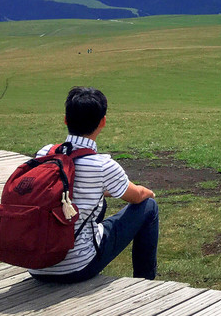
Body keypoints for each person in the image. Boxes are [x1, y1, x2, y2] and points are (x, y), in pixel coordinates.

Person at [29, 86, 159, 283]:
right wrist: (149, 193)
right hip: (78, 266)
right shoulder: (103, 165)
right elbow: (137, 196)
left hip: (37, 264)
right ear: (102, 122)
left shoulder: (45, 154)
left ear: (65, 119)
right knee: (149, 207)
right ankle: (146, 281)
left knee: (97, 204)